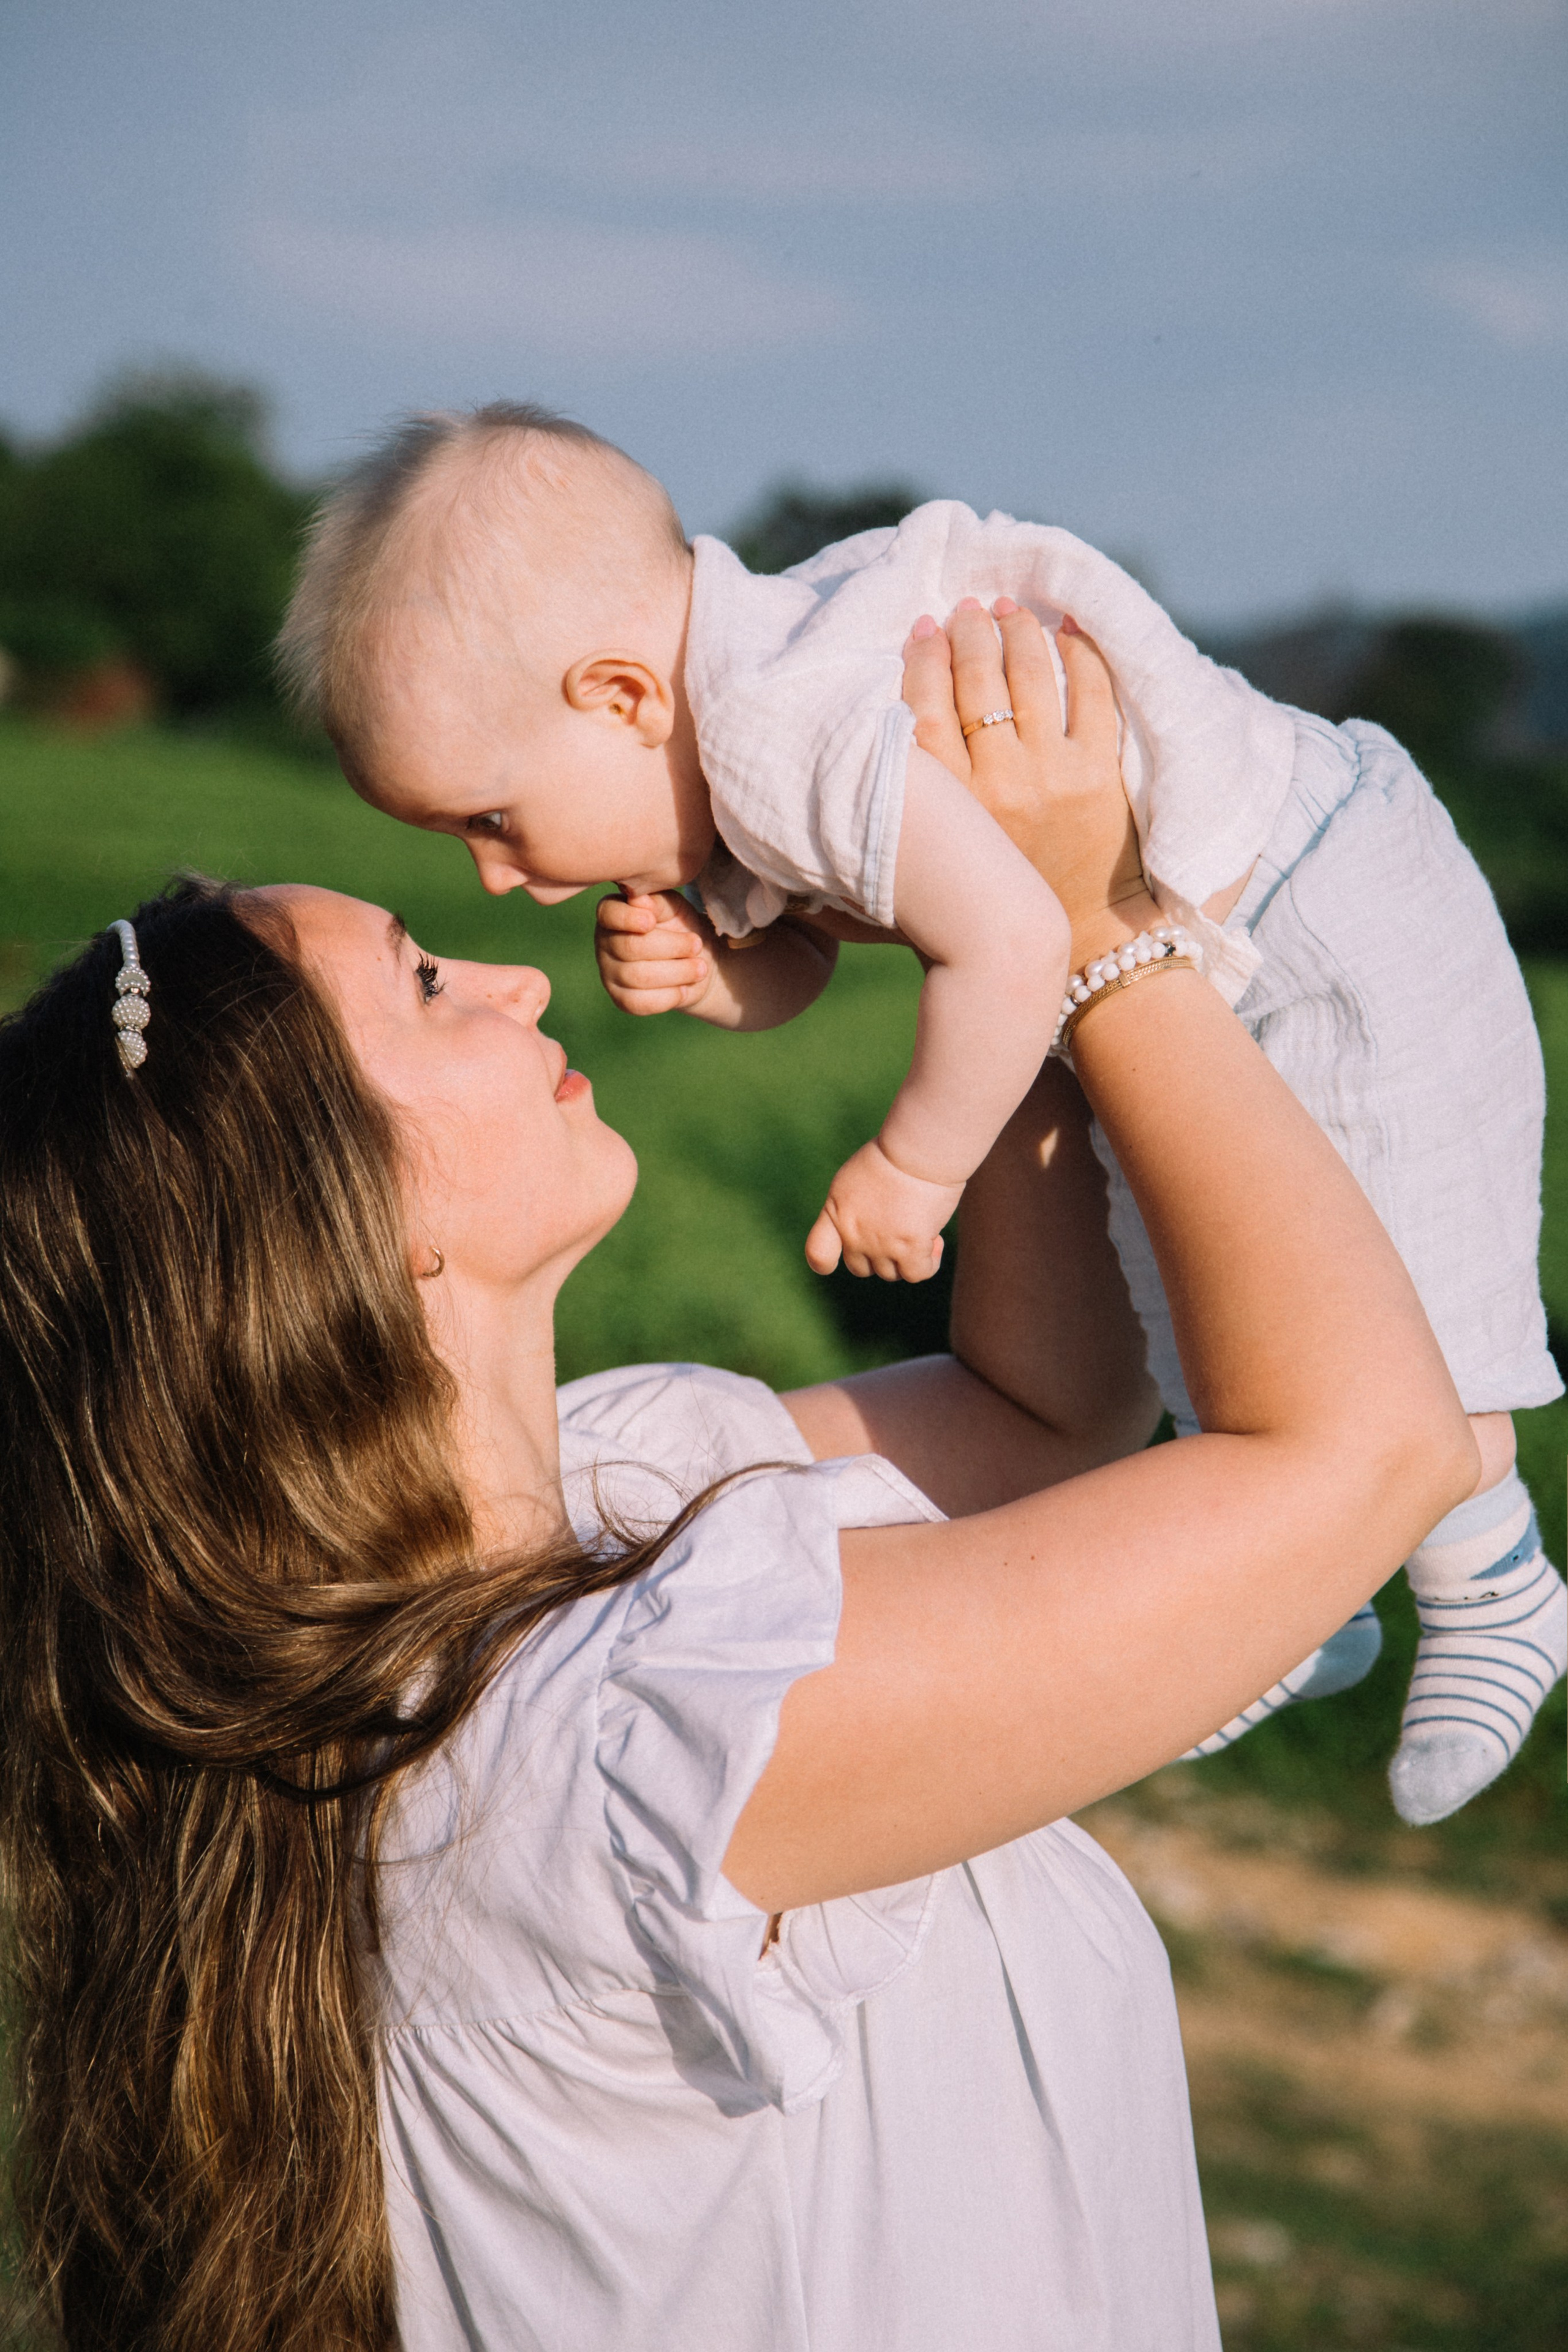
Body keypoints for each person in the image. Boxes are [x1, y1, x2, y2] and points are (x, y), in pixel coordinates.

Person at [0, 614, 1476, 2352]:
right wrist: (1100, 934)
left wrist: (975, 940)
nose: (518, 978)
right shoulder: (599, 1749)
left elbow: (1043, 1412)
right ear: (340, 1222)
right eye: (423, 984)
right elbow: (1375, 1450)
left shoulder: (614, 1493)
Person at [274, 402, 1564, 1825]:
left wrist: (914, 1163)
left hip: (1319, 899)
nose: (501, 882)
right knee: (1195, 1280)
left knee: (1391, 1277)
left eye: (493, 819)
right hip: (1205, 936)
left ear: (621, 697)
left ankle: (1492, 1580)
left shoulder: (780, 727)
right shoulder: (739, 759)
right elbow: (838, 939)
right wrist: (730, 972)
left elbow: (1012, 940)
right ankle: (1303, 1598)